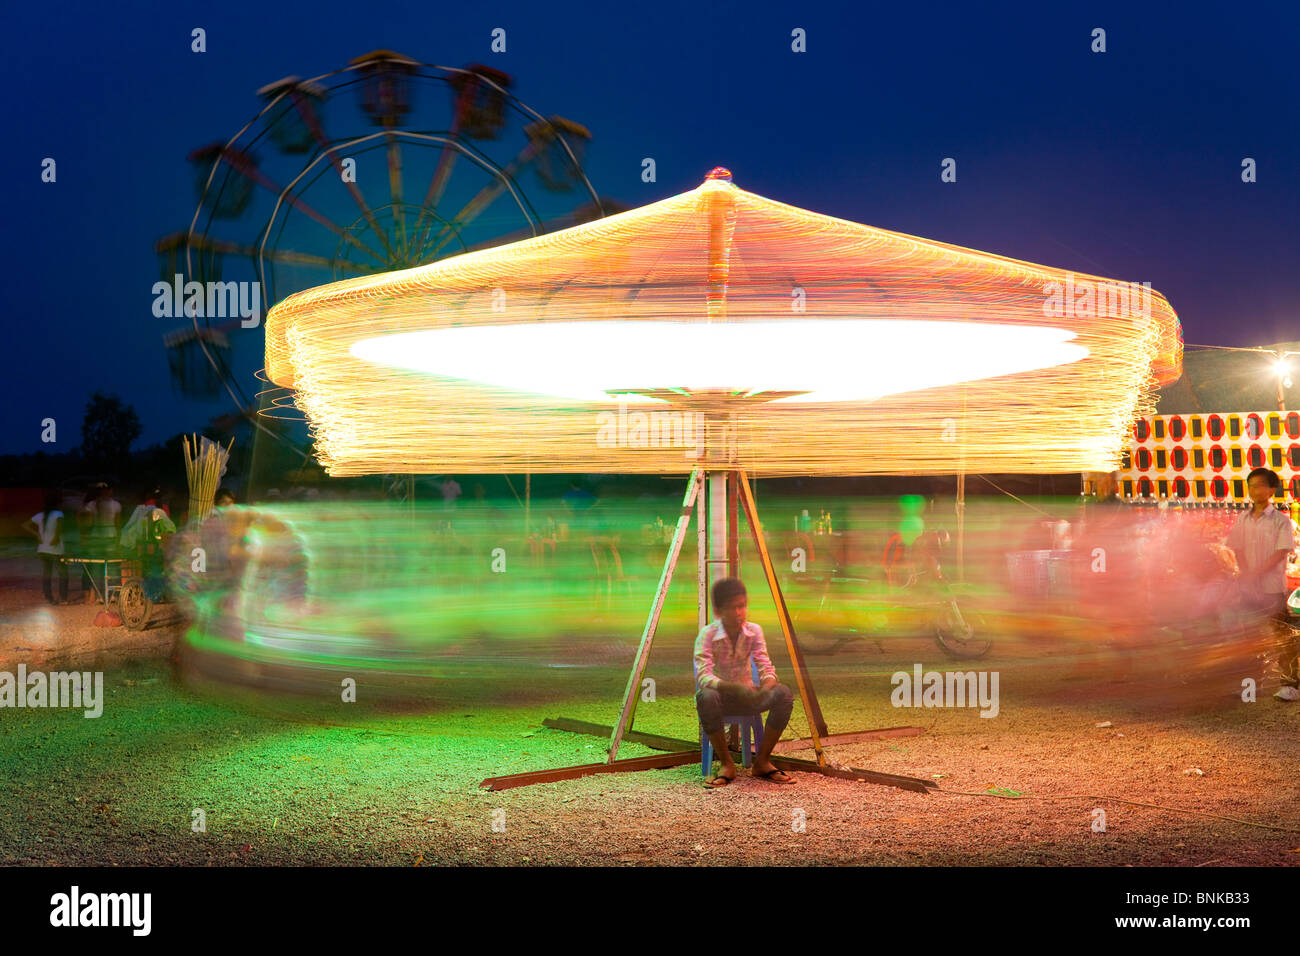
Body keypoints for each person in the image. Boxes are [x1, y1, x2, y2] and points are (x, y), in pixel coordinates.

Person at [694, 577, 797, 787]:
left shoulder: (754, 631)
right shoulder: (707, 634)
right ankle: (726, 764)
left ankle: (762, 761)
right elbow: (703, 676)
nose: (739, 612)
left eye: (742, 606)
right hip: (721, 699)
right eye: (733, 608)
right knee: (705, 696)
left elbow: (766, 667)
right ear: (719, 610)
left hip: (749, 697)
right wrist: (732, 687)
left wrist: (765, 688)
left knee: (783, 693)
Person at [1224, 468, 1299, 700]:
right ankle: (1251, 686)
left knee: (1281, 637)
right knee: (1249, 638)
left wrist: (1256, 572)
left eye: (1260, 485)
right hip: (1249, 588)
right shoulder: (1243, 520)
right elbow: (1236, 548)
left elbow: (1281, 552)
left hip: (1272, 588)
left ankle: (1290, 685)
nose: (1255, 490)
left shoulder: (1281, 521)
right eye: (1251, 486)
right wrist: (1247, 572)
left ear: (1271, 490)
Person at [22, 489, 68, 605]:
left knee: (47, 573)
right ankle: (63, 598)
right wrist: (56, 538)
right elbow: (59, 528)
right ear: (58, 503)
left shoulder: (41, 515)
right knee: (63, 573)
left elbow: (25, 525)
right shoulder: (58, 514)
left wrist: (37, 534)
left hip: (43, 548)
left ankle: (49, 597)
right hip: (56, 549)